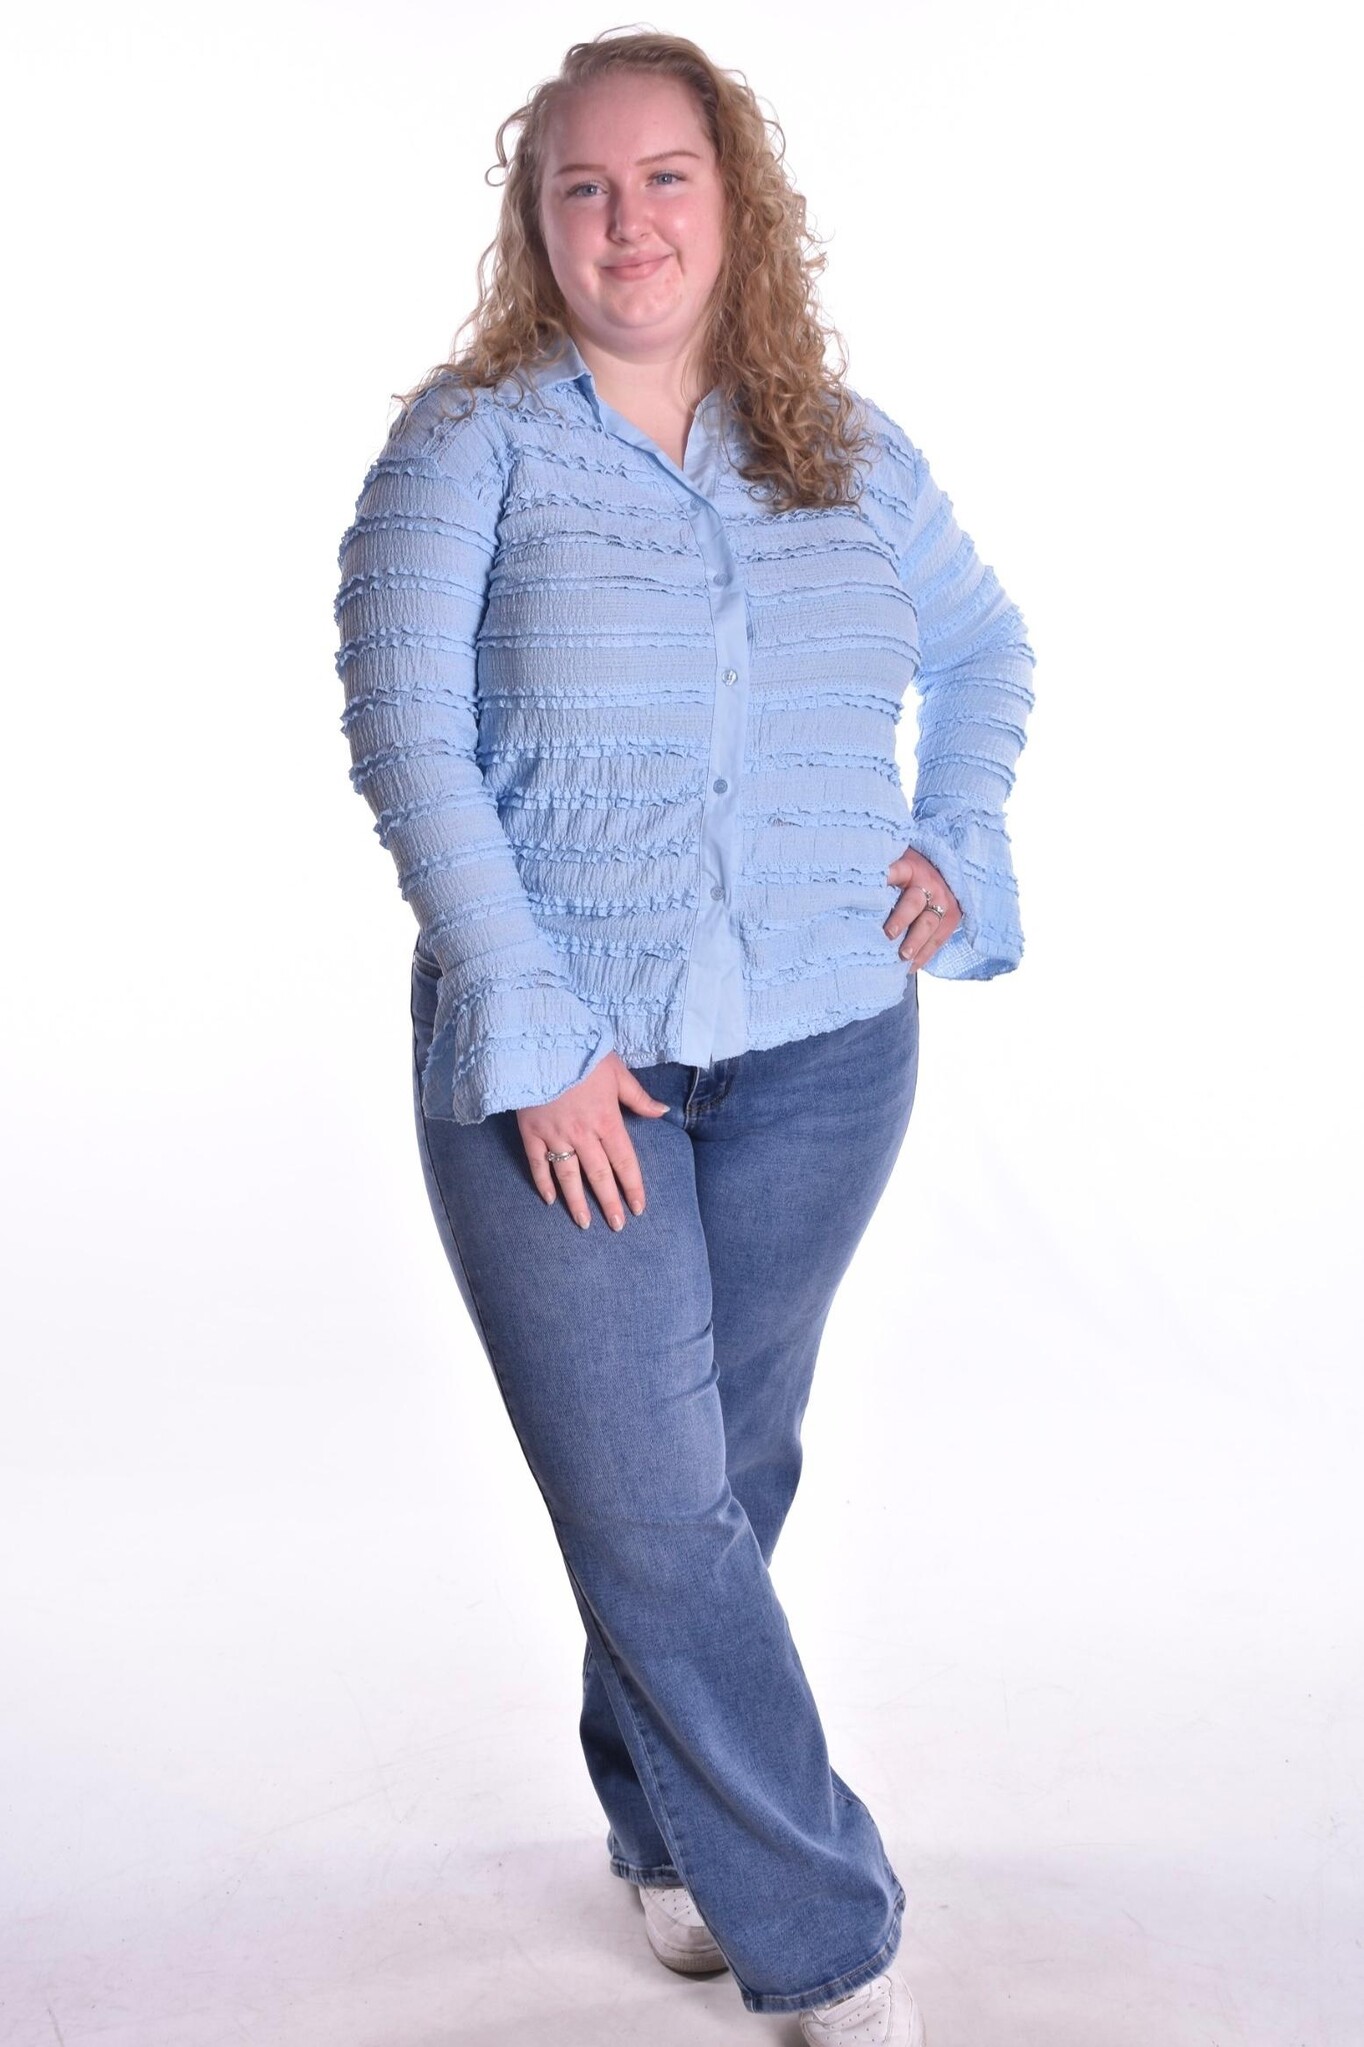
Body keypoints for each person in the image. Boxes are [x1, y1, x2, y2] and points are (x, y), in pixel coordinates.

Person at [332, 28, 1034, 2042]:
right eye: (584, 186)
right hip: (564, 1072)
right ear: (535, 219)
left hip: (828, 1050)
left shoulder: (841, 445)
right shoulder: (468, 446)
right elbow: (408, 743)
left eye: (665, 178)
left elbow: (985, 645)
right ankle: (827, 1934)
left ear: (736, 204)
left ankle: (663, 1829)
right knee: (650, 1504)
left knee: (721, 1471)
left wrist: (956, 830)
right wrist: (530, 1022)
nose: (626, 221)